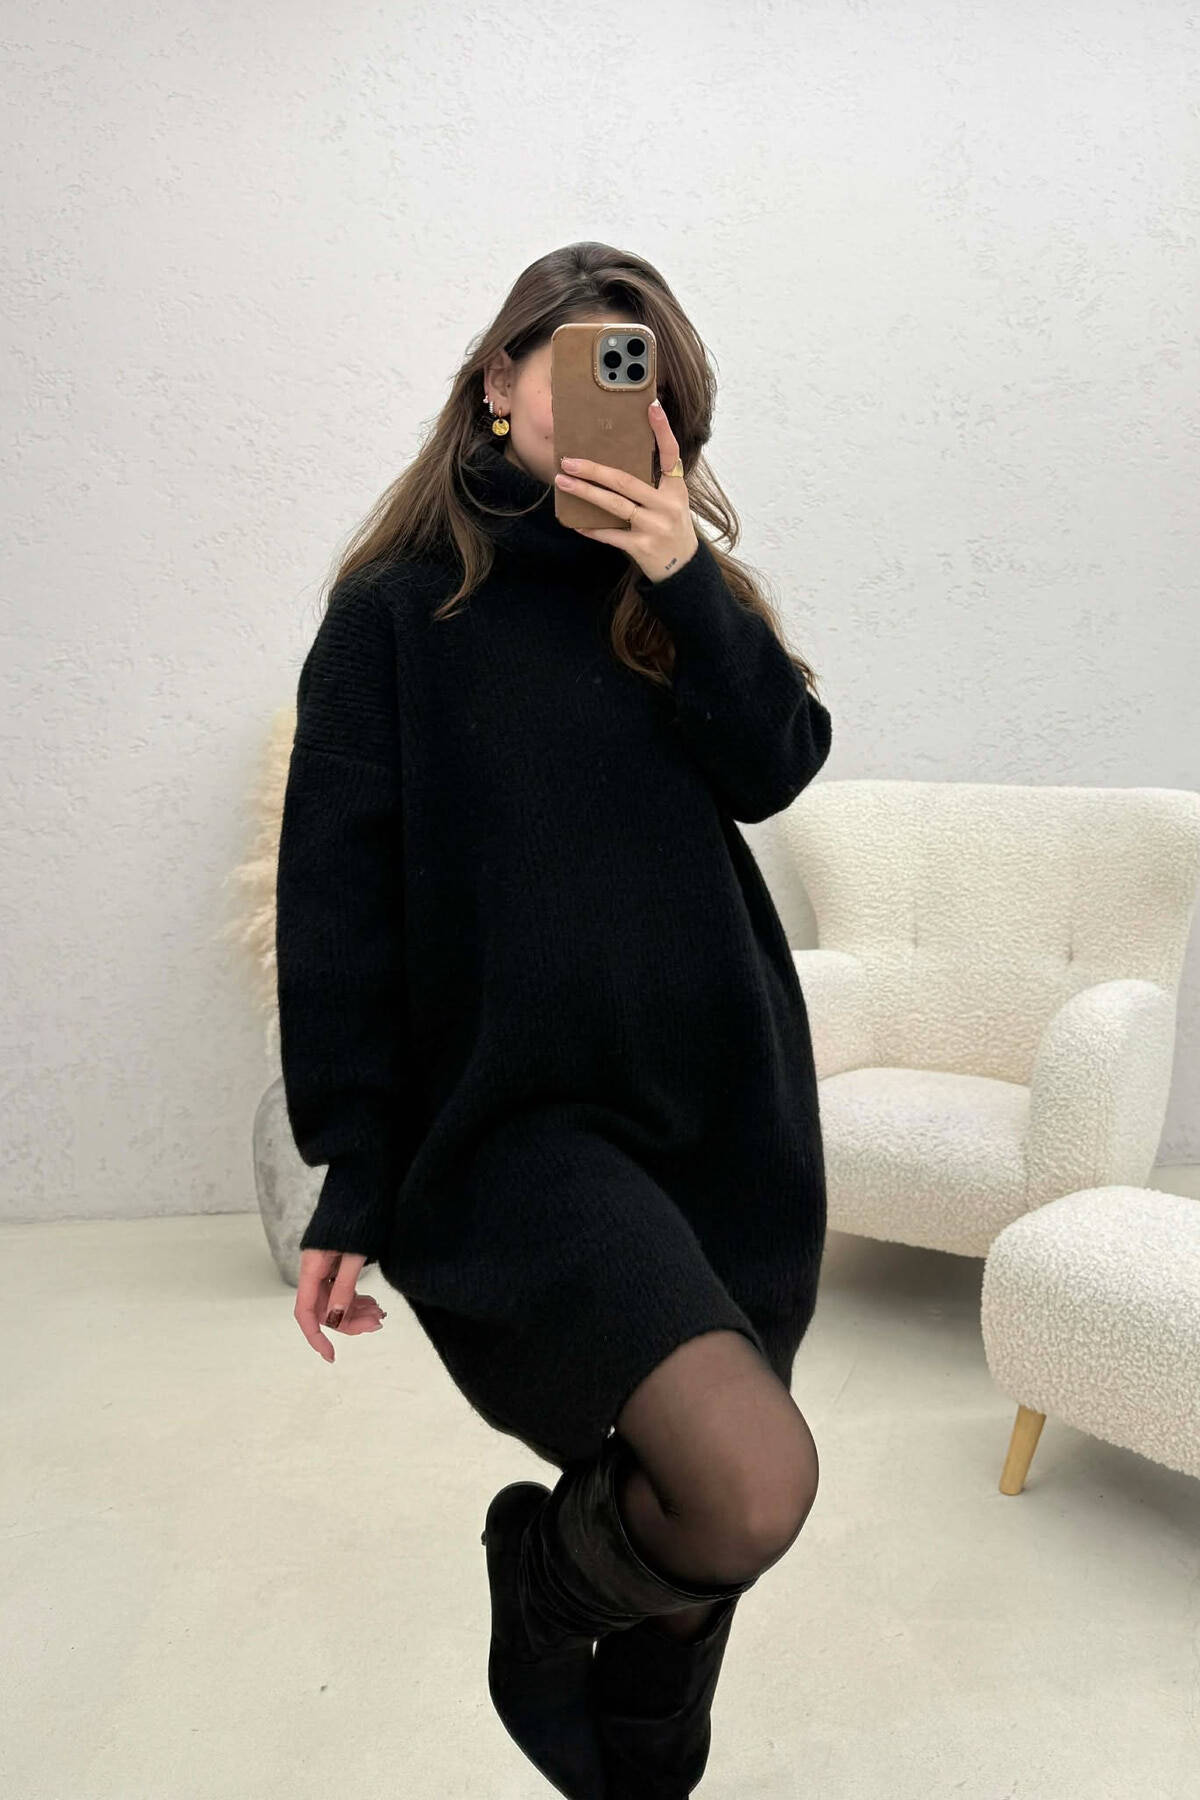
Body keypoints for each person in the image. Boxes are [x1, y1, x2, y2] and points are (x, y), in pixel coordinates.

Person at [275, 241, 833, 1799]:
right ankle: (541, 1580)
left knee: (693, 1490)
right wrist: (355, 1174)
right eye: (579, 358)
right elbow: (336, 916)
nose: (610, 395)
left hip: (725, 1109)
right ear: (495, 382)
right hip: (521, 1130)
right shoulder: (394, 612)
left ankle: (644, 1759)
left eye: (642, 377)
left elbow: (778, 766)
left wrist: (686, 581)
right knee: (746, 1481)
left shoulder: (679, 591)